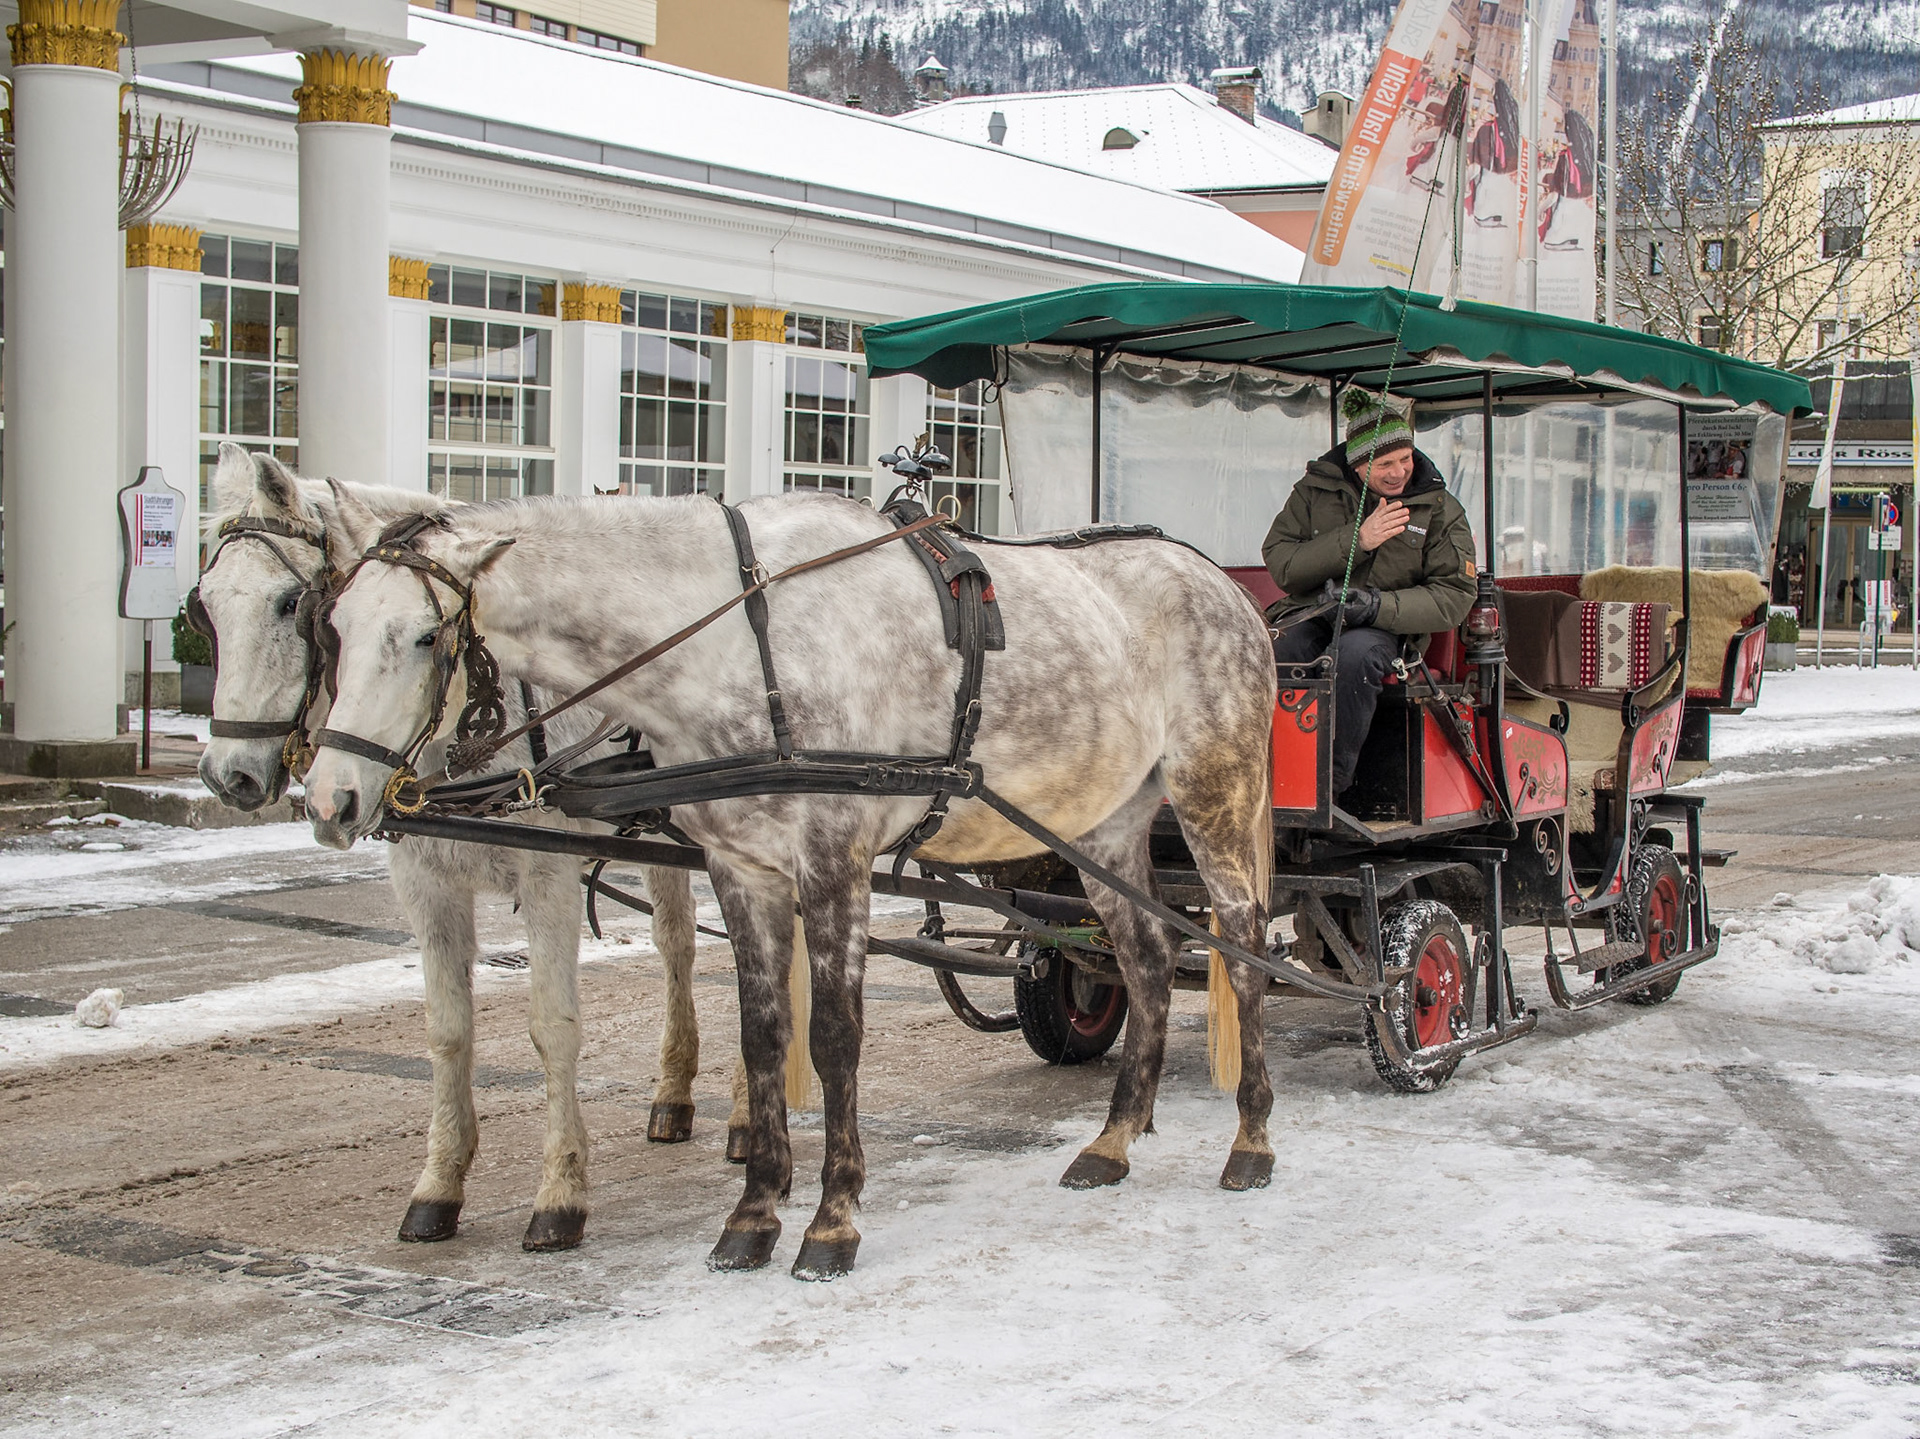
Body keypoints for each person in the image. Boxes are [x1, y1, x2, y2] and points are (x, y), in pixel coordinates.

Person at [1262, 390, 1479, 800]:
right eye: (1384, 465)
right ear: (1359, 466)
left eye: (1405, 458)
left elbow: (1453, 595)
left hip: (1389, 628)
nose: (1399, 472)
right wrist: (1357, 540)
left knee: (1355, 656)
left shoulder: (1438, 509)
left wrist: (1379, 606)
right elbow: (1282, 563)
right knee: (1278, 648)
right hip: (1315, 611)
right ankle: (1267, 772)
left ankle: (1326, 787)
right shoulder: (1315, 492)